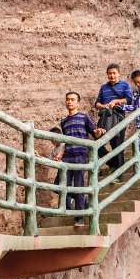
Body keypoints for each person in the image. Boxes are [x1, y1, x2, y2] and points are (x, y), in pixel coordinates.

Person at [53, 91, 103, 227]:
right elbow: (66, 140)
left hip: (81, 154)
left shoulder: (84, 117)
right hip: (68, 156)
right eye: (68, 99)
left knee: (79, 186)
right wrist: (61, 153)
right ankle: (84, 202)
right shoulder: (63, 121)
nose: (70, 102)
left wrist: (98, 132)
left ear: (77, 102)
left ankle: (79, 218)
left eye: (72, 100)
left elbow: (95, 133)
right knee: (60, 185)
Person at [94, 63, 132, 172]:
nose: (112, 75)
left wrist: (116, 101)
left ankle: (119, 172)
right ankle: (113, 164)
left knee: (117, 145)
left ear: (119, 74)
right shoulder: (103, 87)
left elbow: (129, 100)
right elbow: (97, 103)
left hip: (119, 117)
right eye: (110, 73)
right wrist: (103, 106)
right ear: (107, 74)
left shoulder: (125, 85)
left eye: (114, 73)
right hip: (105, 118)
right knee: (98, 145)